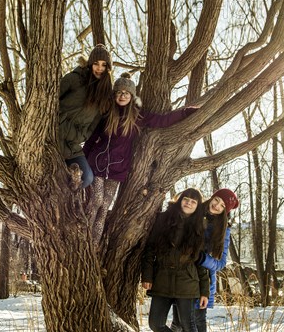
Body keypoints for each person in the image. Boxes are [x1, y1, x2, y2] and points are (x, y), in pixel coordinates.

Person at [83, 73, 198, 243]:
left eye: (126, 93)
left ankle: (91, 246)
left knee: (105, 207)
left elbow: (163, 120)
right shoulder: (106, 114)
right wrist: (82, 161)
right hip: (97, 164)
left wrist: (187, 112)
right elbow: (91, 139)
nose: (122, 96)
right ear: (114, 95)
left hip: (117, 169)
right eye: (119, 92)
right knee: (95, 202)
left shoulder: (137, 116)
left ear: (131, 96)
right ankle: (82, 238)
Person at [168, 188, 240, 332]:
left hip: (203, 282)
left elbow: (221, 263)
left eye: (222, 206)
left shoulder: (224, 231)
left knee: (198, 321)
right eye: (217, 200)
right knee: (177, 321)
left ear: (226, 212)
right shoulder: (195, 212)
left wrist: (202, 259)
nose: (216, 206)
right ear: (212, 197)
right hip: (181, 277)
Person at [141, 188, 210, 332]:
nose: (188, 203)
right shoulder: (163, 219)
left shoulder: (199, 227)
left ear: (197, 207)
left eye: (193, 202)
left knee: (189, 325)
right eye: (186, 199)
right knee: (155, 323)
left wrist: (205, 291)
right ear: (179, 200)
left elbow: (201, 263)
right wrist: (147, 275)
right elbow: (149, 249)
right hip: (162, 278)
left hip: (187, 281)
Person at [59, 44, 113, 188]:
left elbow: (89, 130)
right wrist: (60, 123)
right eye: (96, 63)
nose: (99, 68)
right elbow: (50, 102)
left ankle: (66, 202)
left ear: (108, 68)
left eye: (103, 65)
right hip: (53, 132)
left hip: (72, 144)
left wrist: (77, 136)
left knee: (87, 178)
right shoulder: (74, 79)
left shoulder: (104, 97)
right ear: (90, 64)